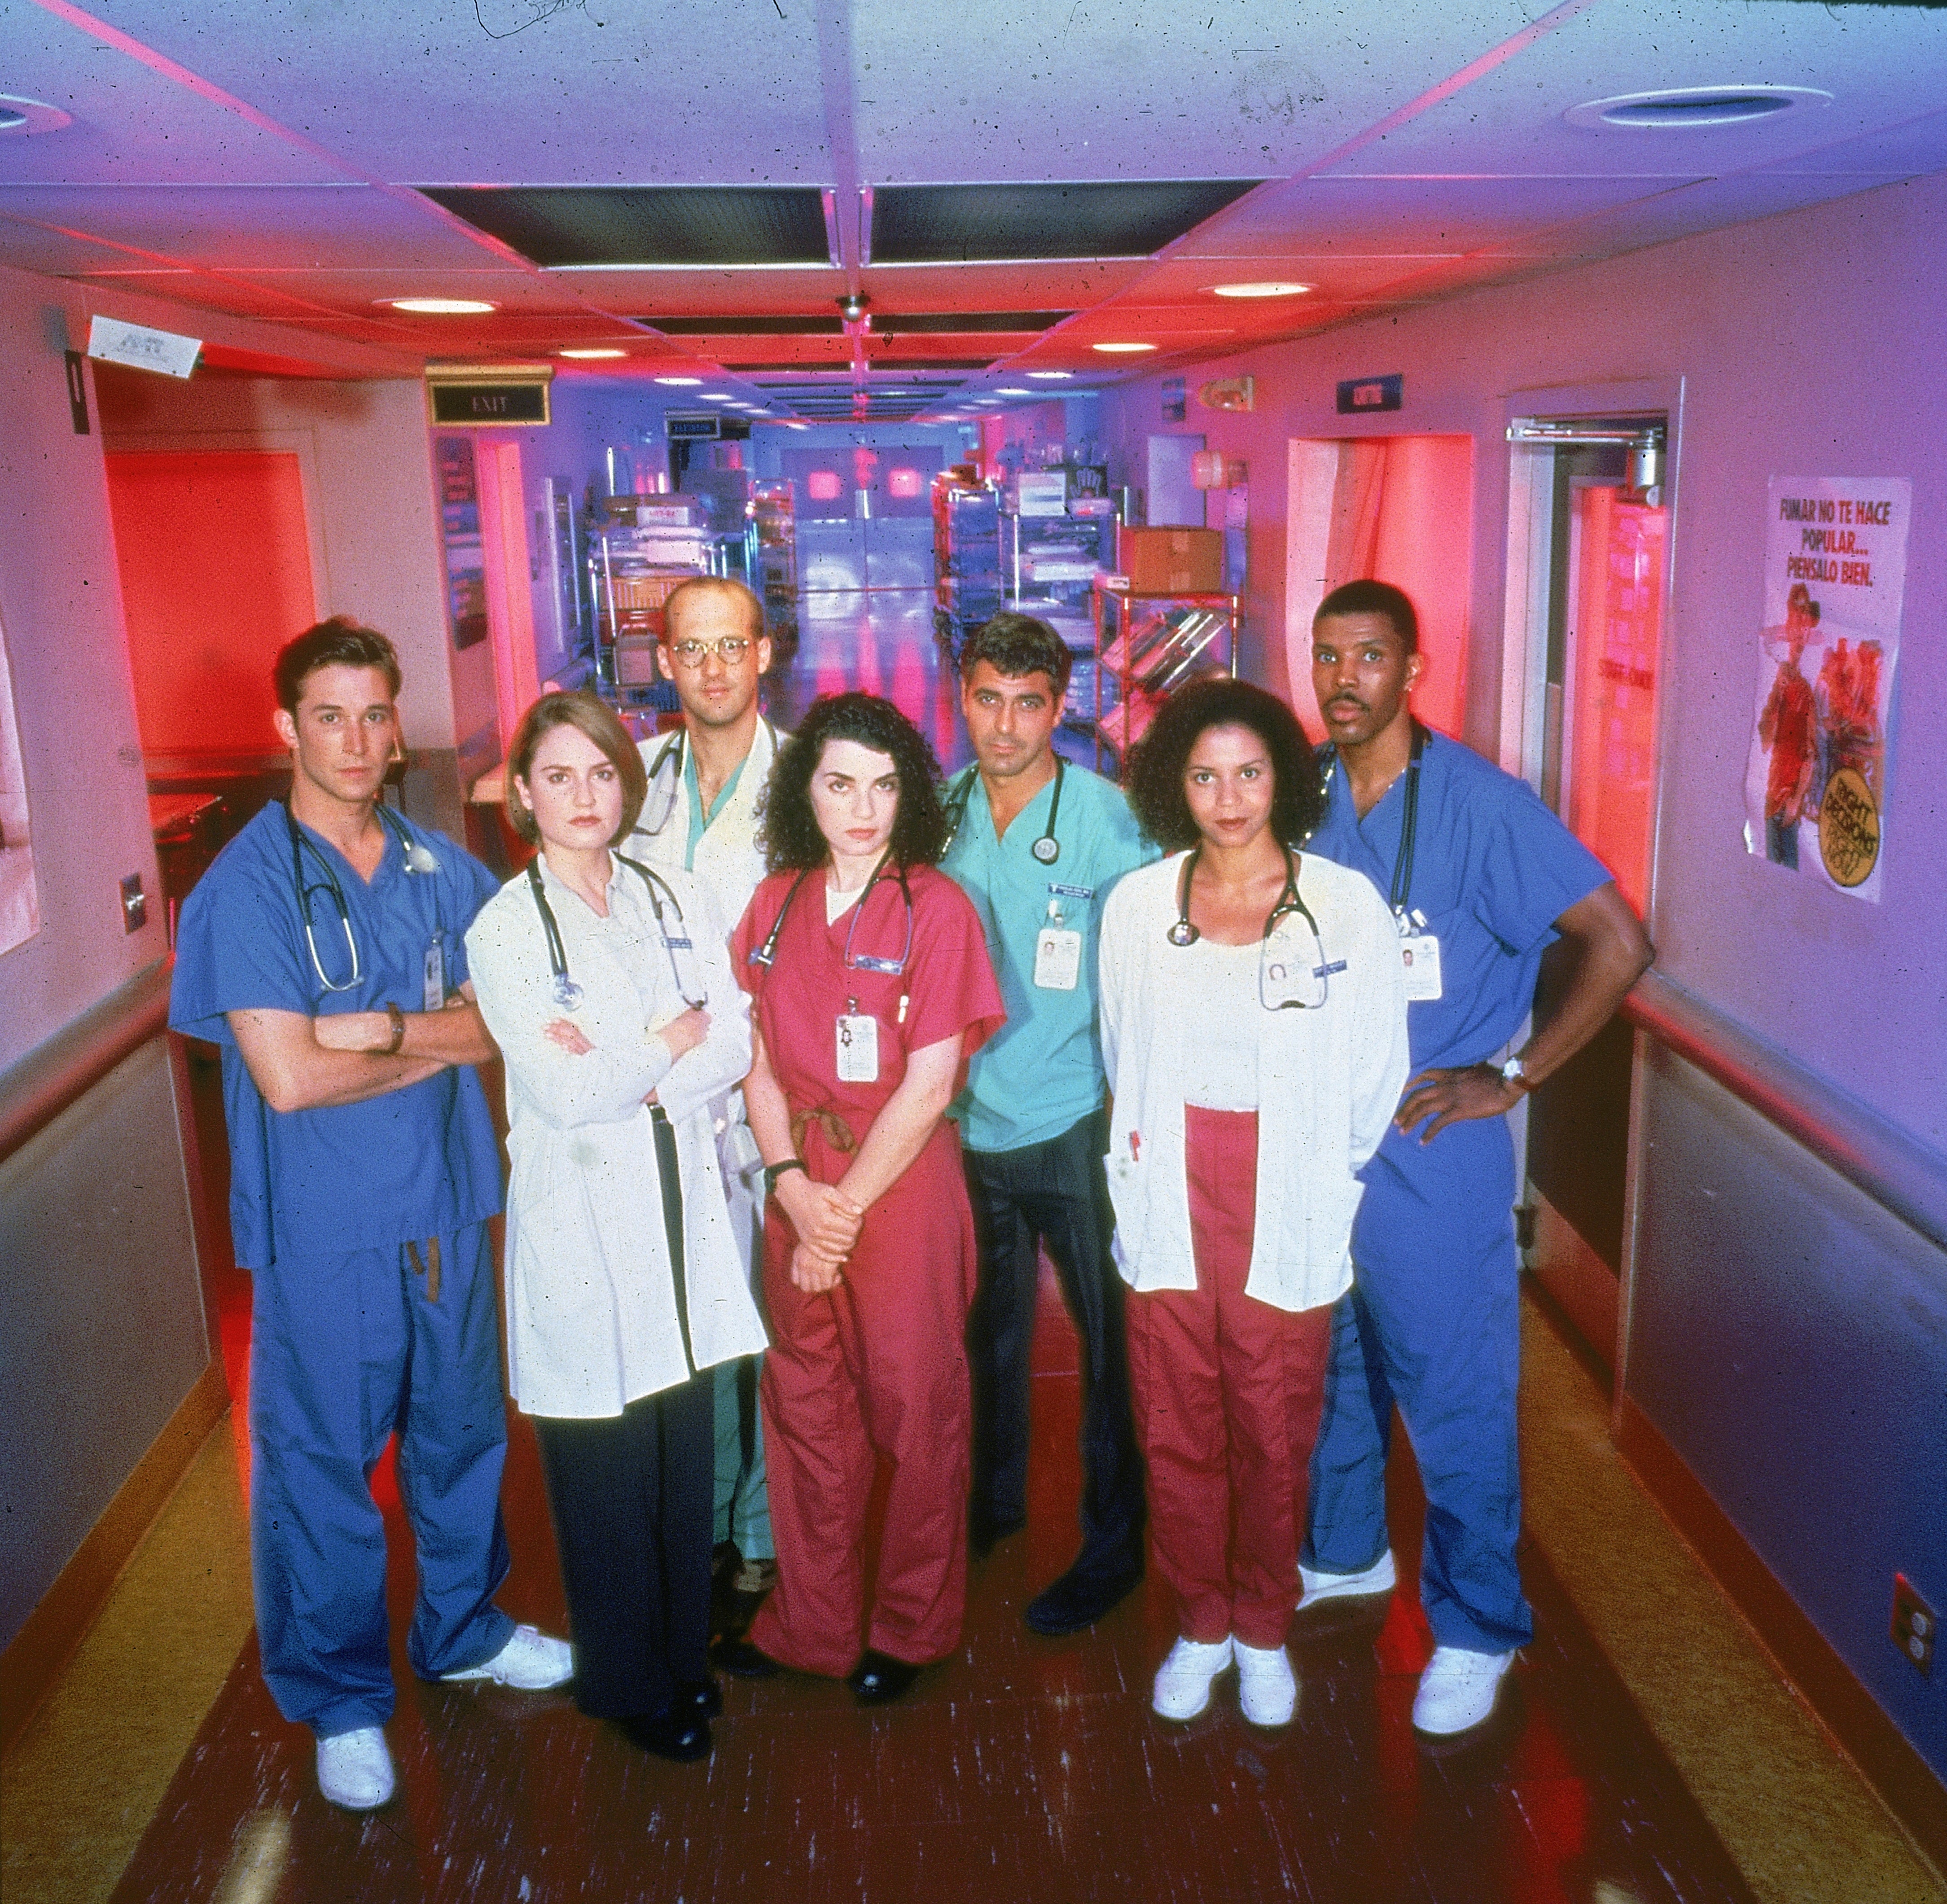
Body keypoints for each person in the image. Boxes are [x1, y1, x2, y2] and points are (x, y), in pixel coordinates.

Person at [168, 617, 571, 1814]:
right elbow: (287, 1077)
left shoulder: (444, 868)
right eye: (330, 715)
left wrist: (388, 1033)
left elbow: (511, 1025)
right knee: (323, 1470)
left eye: (376, 714)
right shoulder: (244, 887)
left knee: (460, 1441)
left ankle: (462, 1629)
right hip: (325, 1228)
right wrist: (438, 1040)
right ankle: (342, 1696)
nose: (357, 738)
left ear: (399, 727)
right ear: (286, 727)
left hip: (447, 1205)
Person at [1300, 579, 1653, 1738]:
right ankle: (1347, 1553)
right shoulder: (1300, 793)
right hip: (1318, 1135)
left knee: (1453, 1397)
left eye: (1368, 657)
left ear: (1411, 671)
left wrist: (1516, 1075)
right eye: (1327, 656)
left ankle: (1477, 1627)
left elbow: (1618, 941)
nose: (1343, 678)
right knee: (1335, 1368)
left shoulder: (1480, 807)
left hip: (1428, 1142)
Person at [1100, 678, 1409, 1729]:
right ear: (1172, 785)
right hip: (1171, 1182)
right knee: (1177, 1419)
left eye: (1246, 772)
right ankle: (1199, 1627)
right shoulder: (1139, 906)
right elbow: (1119, 1047)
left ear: (1281, 774)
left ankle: (1264, 1630)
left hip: (1285, 1188)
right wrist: (1146, 1159)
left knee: (1273, 1424)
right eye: (1202, 776)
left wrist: (1325, 1175)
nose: (1227, 799)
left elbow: (1376, 1068)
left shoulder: (1342, 906)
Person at [465, 692, 767, 1764]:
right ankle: (632, 1687)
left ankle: (685, 1660)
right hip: (584, 1224)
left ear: (624, 785)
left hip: (681, 1209)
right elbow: (561, 1092)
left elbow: (730, 1040)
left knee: (681, 1461)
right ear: (523, 795)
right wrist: (660, 1044)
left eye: (599, 774)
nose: (582, 797)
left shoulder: (672, 891)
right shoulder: (505, 928)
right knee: (603, 1473)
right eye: (556, 777)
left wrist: (639, 1056)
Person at [722, 693, 1004, 1703]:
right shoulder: (774, 904)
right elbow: (750, 1061)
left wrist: (834, 1218)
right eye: (841, 784)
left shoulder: (937, 909)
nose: (863, 809)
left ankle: (913, 1627)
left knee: (916, 1409)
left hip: (900, 1190)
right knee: (805, 1408)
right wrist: (792, 1188)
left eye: (885, 787)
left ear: (911, 796)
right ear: (807, 791)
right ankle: (813, 1623)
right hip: (796, 1181)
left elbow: (930, 1085)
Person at [939, 611, 1153, 1635]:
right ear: (961, 697)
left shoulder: (1111, 819)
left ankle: (1114, 1548)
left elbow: (1166, 953)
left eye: (1028, 705)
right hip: (966, 1123)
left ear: (1058, 708)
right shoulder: (933, 814)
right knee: (987, 1336)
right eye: (987, 699)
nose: (1005, 726)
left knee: (1113, 1351)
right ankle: (990, 1507)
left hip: (1077, 1123)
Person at [628, 576, 785, 1623]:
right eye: (693, 648)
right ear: (664, 661)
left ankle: (765, 1526)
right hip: (658, 1093)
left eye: (732, 645)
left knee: (772, 1323)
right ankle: (706, 1510)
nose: (714, 667)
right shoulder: (628, 778)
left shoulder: (809, 780)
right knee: (683, 1321)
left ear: (763, 654)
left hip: (772, 1084)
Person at [1758, 583, 1820, 868]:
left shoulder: (1806, 693)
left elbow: (1810, 753)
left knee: (1789, 869)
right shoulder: (1781, 686)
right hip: (1773, 795)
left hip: (1788, 799)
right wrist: (1777, 692)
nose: (1796, 643)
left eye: (1802, 632)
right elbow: (1766, 741)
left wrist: (1796, 799)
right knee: (1776, 869)